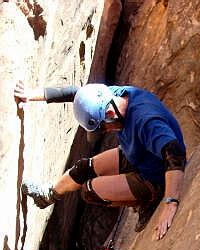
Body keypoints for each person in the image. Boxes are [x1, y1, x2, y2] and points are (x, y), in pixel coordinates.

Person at [14, 80, 187, 240]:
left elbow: (175, 152)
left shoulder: (145, 121)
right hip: (140, 154)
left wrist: (170, 202)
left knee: (90, 191)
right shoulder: (111, 96)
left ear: (110, 114)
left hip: (156, 174)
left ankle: (149, 197)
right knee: (84, 168)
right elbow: (78, 94)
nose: (104, 132)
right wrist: (31, 94)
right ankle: (48, 195)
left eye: (102, 128)